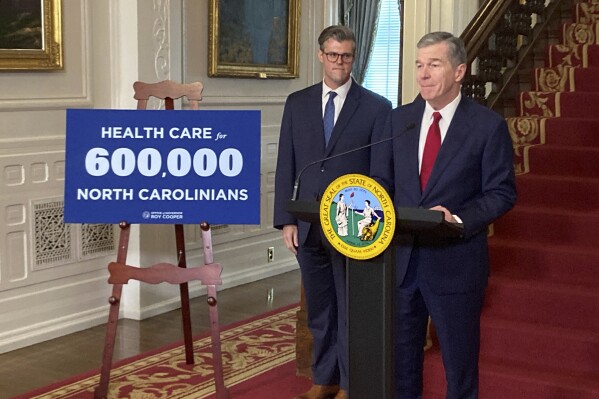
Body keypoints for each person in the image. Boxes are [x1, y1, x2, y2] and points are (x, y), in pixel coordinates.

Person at [370, 32, 517, 399]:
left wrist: (459, 220)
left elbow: (502, 192)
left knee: (459, 367)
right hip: (401, 261)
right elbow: (380, 183)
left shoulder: (486, 126)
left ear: (459, 71)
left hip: (456, 263)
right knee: (402, 365)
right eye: (419, 65)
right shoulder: (397, 121)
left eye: (434, 64)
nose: (423, 74)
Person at [273, 25, 392, 399]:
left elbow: (380, 174)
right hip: (306, 227)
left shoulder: (376, 107)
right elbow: (286, 165)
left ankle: (351, 384)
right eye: (333, 55)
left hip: (352, 227)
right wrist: (286, 219)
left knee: (349, 310)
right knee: (320, 310)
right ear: (321, 55)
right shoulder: (297, 103)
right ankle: (323, 378)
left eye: (347, 56)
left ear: (353, 57)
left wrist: (371, 225)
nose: (340, 62)